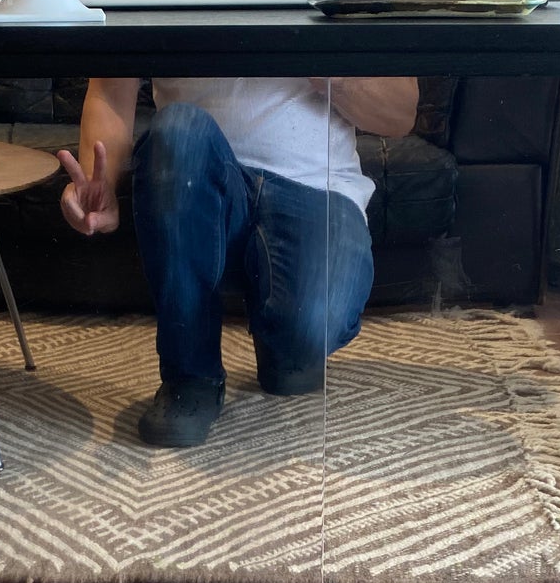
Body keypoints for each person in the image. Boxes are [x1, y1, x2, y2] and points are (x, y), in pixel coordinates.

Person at [58, 75, 419, 446]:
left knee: (309, 333)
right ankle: (190, 376)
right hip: (196, 174)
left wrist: (325, 67)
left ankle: (282, 340)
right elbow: (109, 89)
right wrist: (98, 183)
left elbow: (401, 115)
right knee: (177, 130)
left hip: (317, 185)